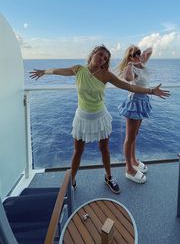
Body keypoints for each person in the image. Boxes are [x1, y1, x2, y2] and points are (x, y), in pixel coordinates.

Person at [30, 45, 169, 193]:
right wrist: (44, 71)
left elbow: (129, 87)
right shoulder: (78, 69)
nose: (102, 59)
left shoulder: (106, 75)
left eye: (105, 58)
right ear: (93, 53)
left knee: (104, 149)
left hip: (100, 117)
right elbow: (57, 71)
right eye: (101, 55)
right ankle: (72, 181)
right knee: (78, 151)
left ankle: (109, 177)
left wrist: (151, 91)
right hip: (82, 119)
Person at [117, 45, 170, 184]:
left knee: (135, 135)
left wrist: (140, 55)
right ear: (129, 57)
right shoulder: (131, 68)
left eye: (138, 53)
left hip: (143, 101)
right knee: (129, 137)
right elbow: (128, 78)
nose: (138, 56)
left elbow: (151, 49)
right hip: (134, 102)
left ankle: (134, 161)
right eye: (134, 54)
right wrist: (130, 63)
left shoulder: (141, 64)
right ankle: (128, 168)